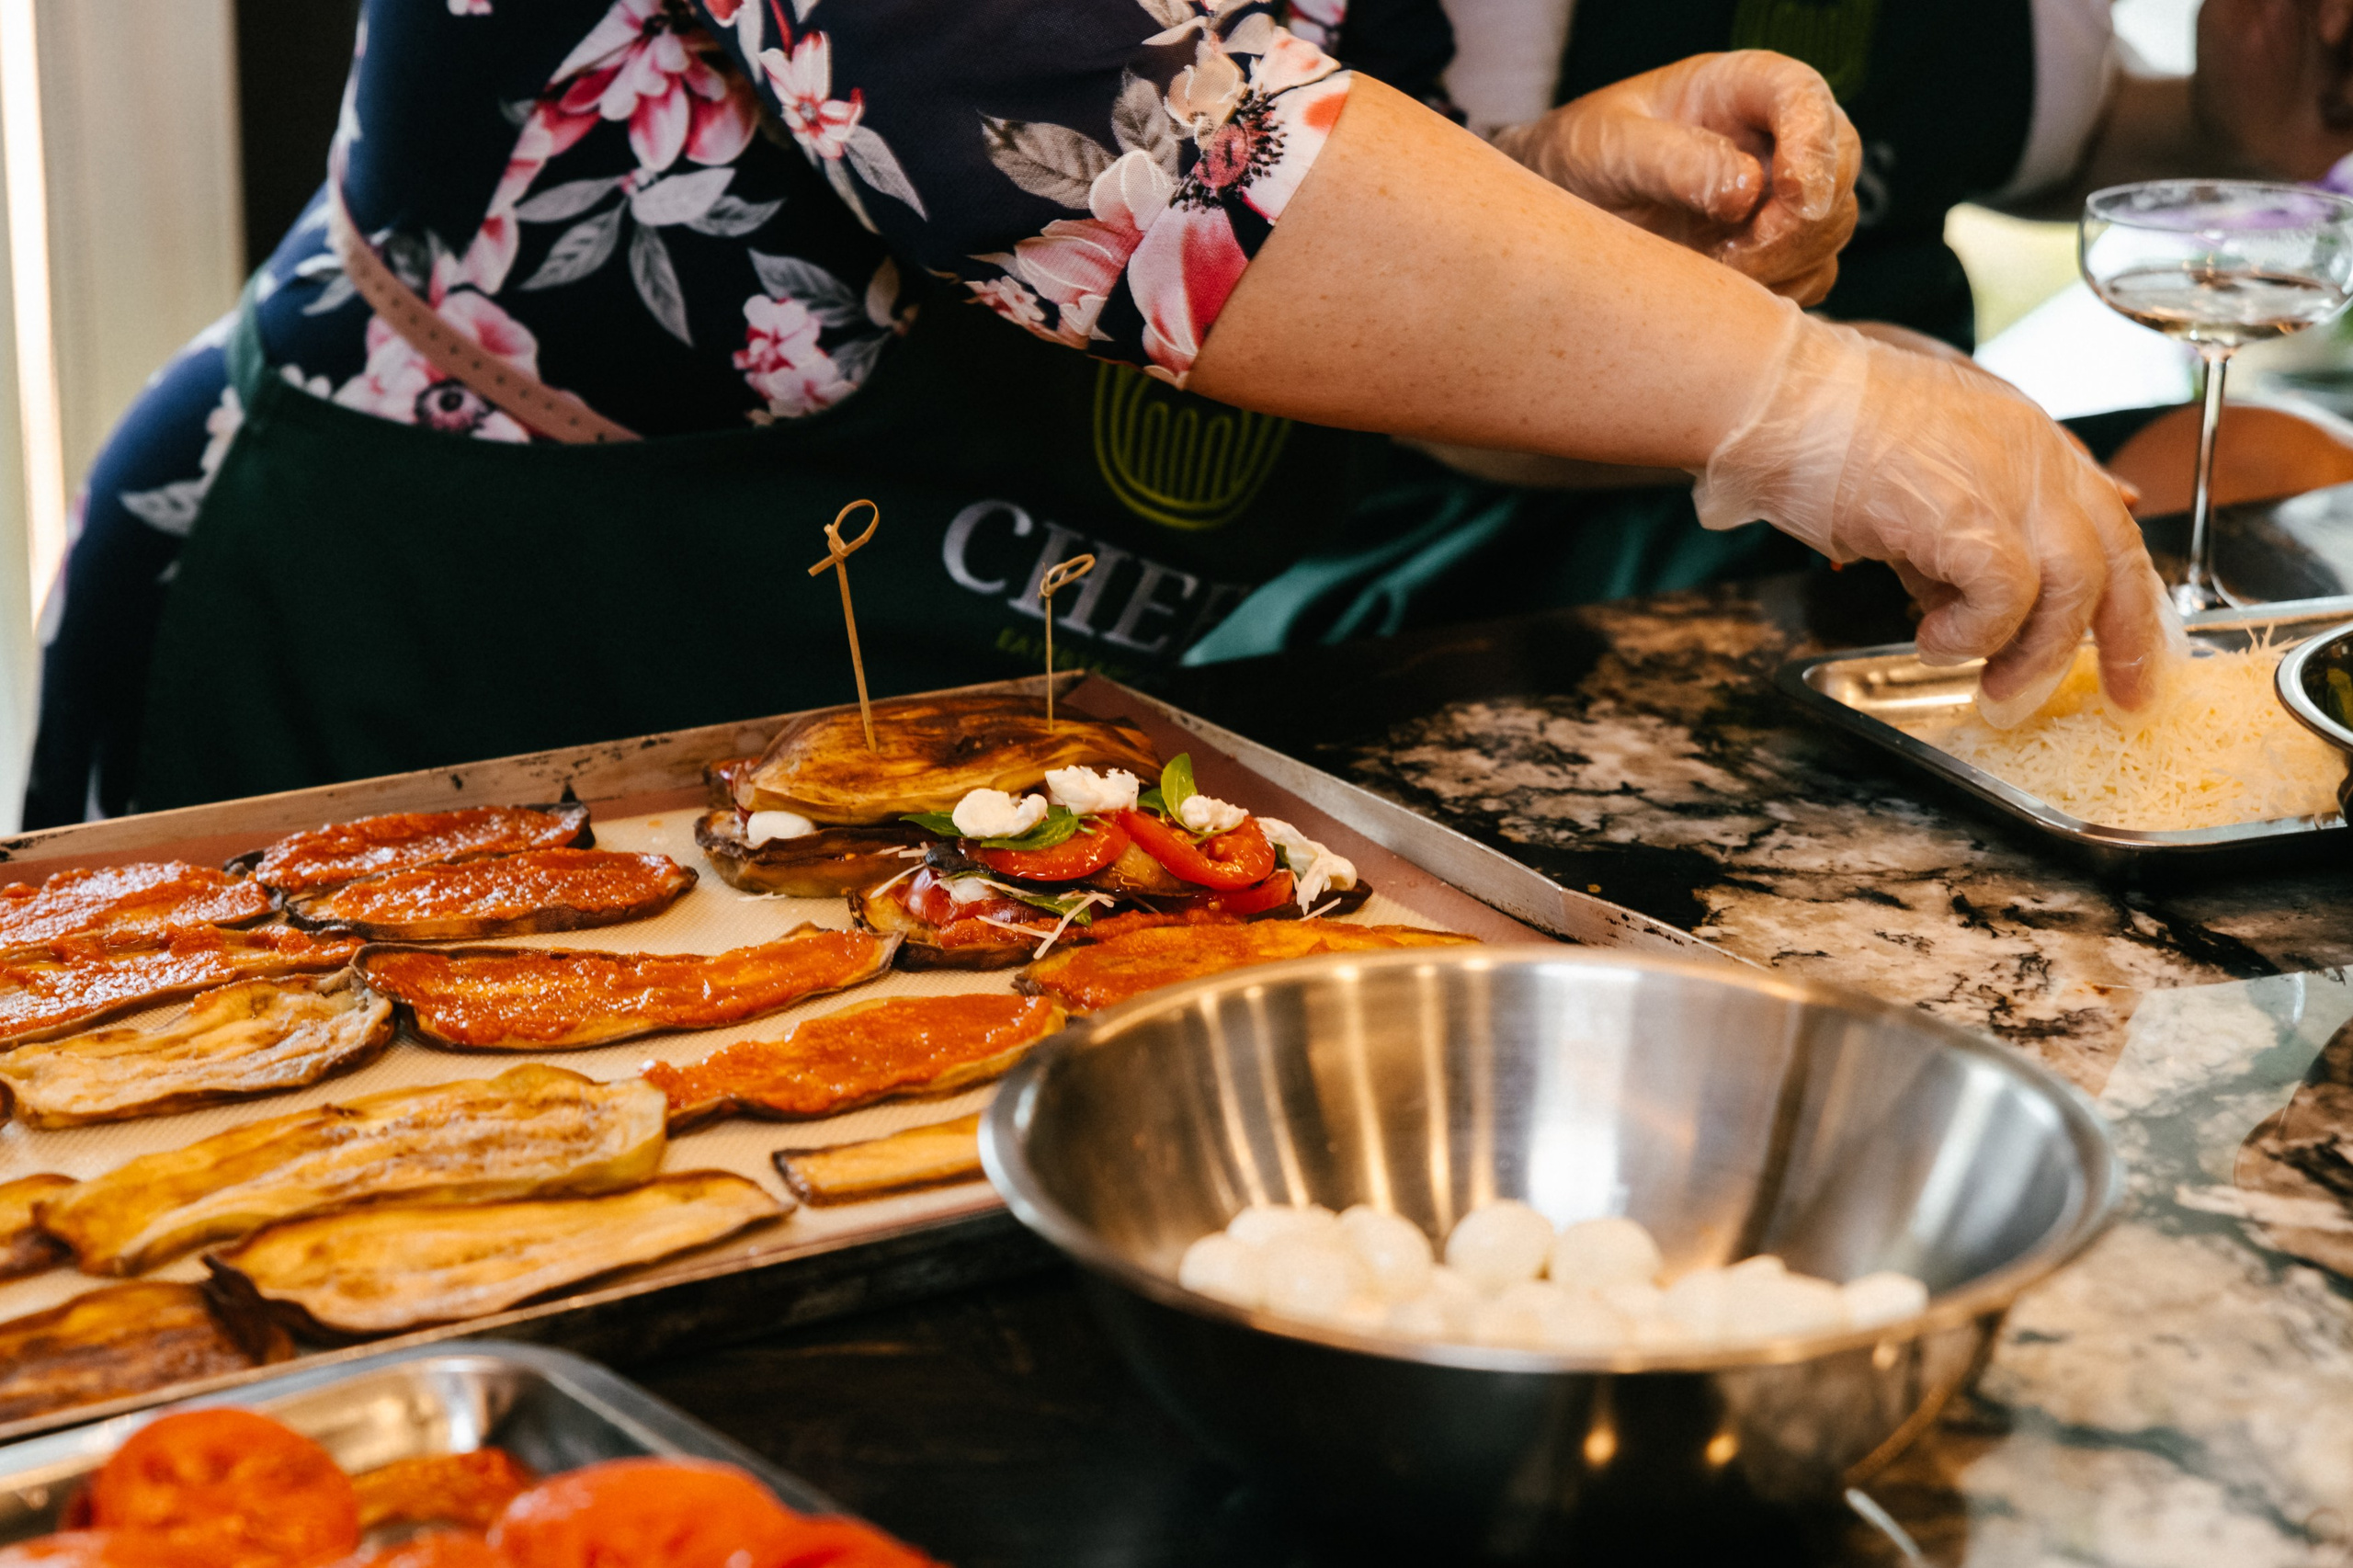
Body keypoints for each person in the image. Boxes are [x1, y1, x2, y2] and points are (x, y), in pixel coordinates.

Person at [22, 0, 2162, 824]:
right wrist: (1801, 396)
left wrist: (1539, 214)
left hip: (913, 689)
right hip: (444, 618)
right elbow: (1079, 120)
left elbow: (1259, 118)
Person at [1206, 0, 2353, 658]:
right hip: (1507, 515)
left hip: (1896, 493)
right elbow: (1419, 322)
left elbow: (2047, 141)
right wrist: (1839, 400)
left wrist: (2240, 124)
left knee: (2283, 459)